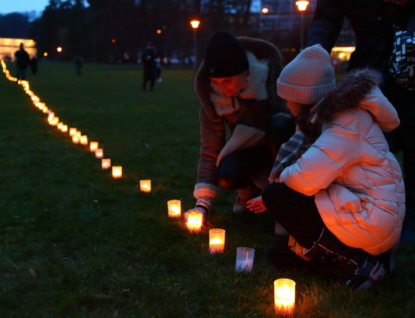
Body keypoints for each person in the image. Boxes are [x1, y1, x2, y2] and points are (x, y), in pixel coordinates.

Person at [247, 44, 405, 291]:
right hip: (357, 202)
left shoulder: (346, 122)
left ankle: (360, 264)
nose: (287, 105)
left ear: (303, 98)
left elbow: (303, 179)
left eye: (288, 98)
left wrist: (276, 184)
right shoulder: (333, 117)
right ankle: (367, 257)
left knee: (279, 194)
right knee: (279, 255)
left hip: (372, 216)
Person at [306, 0, 415, 247]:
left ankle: (407, 219)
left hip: (409, 67)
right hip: (371, 68)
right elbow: (327, 17)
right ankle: (369, 216)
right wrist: (314, 54)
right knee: (364, 149)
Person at [184, 31, 294, 219]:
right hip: (247, 150)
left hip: (281, 149)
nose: (221, 88)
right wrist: (203, 202)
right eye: (215, 82)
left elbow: (294, 126)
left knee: (281, 124)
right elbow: (210, 149)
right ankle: (247, 193)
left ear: (246, 73)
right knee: (228, 174)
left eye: (227, 81)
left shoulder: (271, 81)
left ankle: (284, 201)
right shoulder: (213, 101)